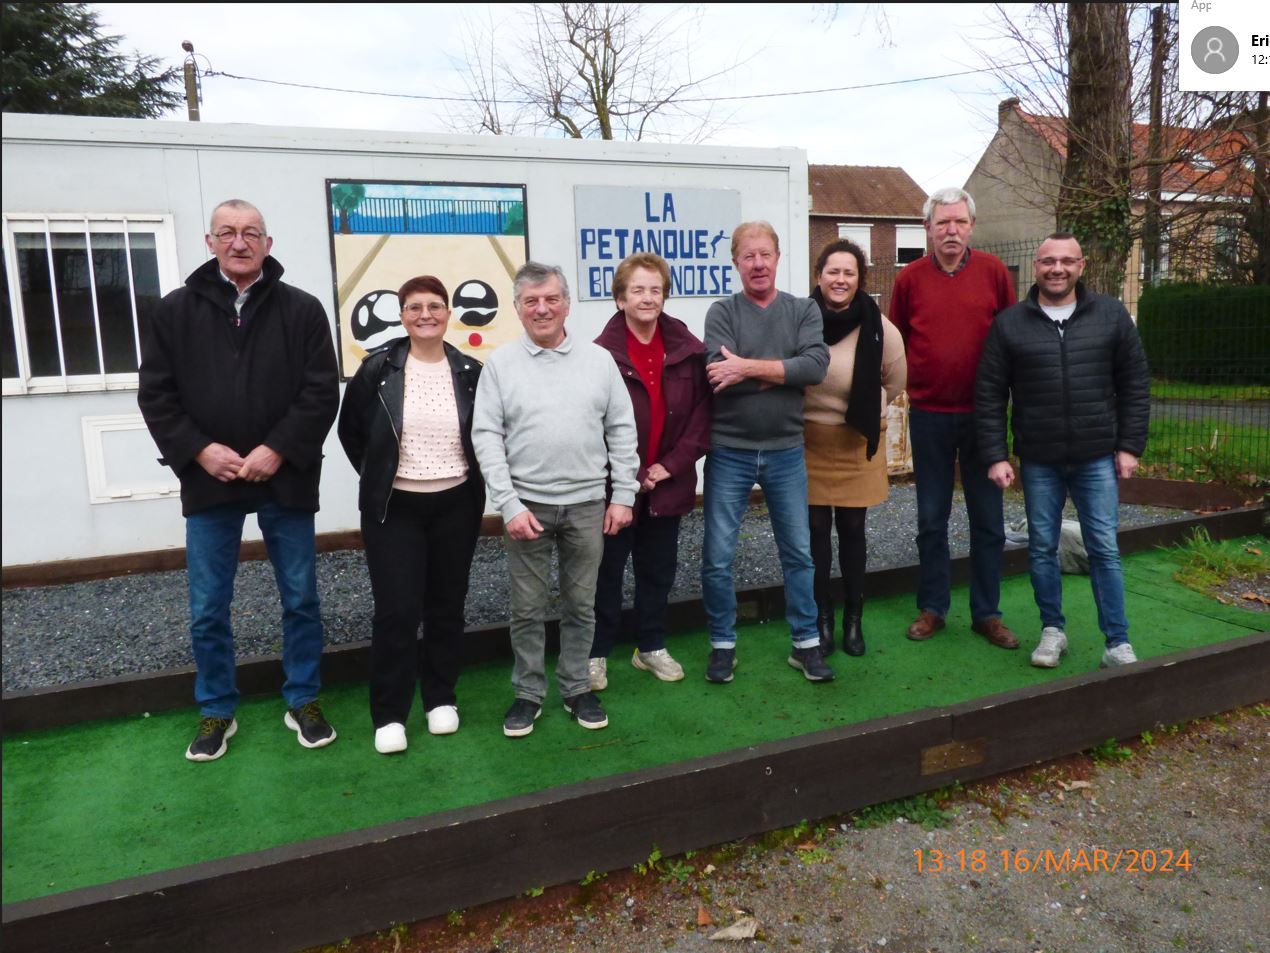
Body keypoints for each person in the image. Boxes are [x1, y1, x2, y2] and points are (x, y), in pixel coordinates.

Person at [138, 199, 340, 762]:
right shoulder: (174, 312)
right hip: (212, 481)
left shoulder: (302, 310)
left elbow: (322, 389)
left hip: (285, 477)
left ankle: (303, 697)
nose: (239, 242)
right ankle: (216, 708)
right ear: (210, 243)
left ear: (268, 244)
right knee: (208, 606)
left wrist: (278, 448)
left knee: (300, 598)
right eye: (227, 232)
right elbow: (156, 394)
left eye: (251, 232)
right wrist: (200, 451)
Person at [472, 262, 640, 737]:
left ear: (567, 303)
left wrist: (623, 494)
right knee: (526, 609)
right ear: (517, 308)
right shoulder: (501, 365)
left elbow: (622, 430)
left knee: (580, 605)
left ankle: (575, 687)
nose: (542, 309)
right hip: (527, 507)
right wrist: (508, 504)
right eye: (531, 301)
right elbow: (486, 435)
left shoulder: (598, 360)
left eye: (550, 299)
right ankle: (527, 694)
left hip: (589, 504)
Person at [976, 233, 1150, 670]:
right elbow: (990, 395)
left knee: (1104, 548)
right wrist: (997, 455)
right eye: (1049, 261)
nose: (1058, 269)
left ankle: (1117, 642)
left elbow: (1135, 385)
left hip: (1097, 456)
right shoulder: (1010, 324)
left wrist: (1129, 446)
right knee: (1041, 549)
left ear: (1082, 266)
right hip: (1039, 459)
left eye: (1067, 261)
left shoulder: (1110, 315)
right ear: (1036, 267)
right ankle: (1053, 631)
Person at [337, 276, 484, 754]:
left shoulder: (469, 370)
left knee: (446, 605)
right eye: (415, 307)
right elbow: (352, 433)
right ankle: (390, 713)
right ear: (402, 315)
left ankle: (441, 698)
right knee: (397, 611)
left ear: (448, 313)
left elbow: (483, 434)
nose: (426, 314)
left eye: (435, 306)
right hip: (394, 507)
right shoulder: (377, 368)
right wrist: (380, 475)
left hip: (456, 505)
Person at [889, 187, 1019, 650]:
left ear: (971, 226)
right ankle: (933, 608)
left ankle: (987, 613)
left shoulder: (995, 273)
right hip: (929, 415)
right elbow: (897, 340)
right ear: (927, 228)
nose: (951, 230)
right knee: (931, 518)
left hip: (984, 417)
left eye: (959, 222)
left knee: (988, 521)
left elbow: (1012, 337)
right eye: (942, 223)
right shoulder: (910, 280)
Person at [702, 221, 832, 684]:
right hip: (730, 451)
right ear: (736, 262)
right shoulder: (723, 311)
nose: (758, 264)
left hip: (785, 452)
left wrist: (748, 368)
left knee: (798, 552)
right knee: (718, 555)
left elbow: (815, 367)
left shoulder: (802, 311)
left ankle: (806, 644)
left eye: (765, 255)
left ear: (778, 258)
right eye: (748, 256)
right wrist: (782, 371)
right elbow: (718, 376)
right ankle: (722, 645)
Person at [589, 253, 711, 691]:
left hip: (668, 482)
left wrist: (671, 466)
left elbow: (702, 415)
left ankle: (650, 647)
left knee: (658, 568)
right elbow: (593, 423)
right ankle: (596, 652)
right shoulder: (599, 354)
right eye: (637, 290)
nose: (647, 298)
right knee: (606, 570)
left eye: (655, 289)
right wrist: (632, 472)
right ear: (620, 298)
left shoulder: (687, 349)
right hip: (617, 485)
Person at [804, 239, 907, 657]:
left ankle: (853, 620)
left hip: (856, 440)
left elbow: (896, 382)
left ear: (859, 279)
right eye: (833, 271)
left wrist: (867, 407)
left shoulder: (881, 328)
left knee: (851, 532)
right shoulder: (800, 321)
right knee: (814, 537)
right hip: (808, 441)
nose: (840, 279)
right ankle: (822, 619)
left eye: (849, 272)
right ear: (819, 276)